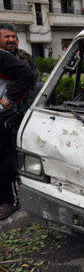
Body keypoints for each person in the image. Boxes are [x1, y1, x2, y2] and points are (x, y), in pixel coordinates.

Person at [0, 49, 34, 219]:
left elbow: (26, 76)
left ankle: (10, 201)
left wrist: (5, 102)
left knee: (3, 161)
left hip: (1, 118)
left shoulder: (1, 57)